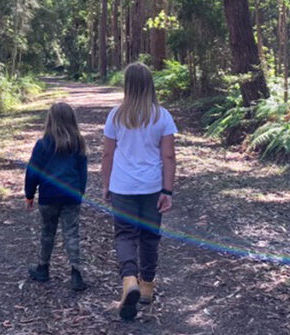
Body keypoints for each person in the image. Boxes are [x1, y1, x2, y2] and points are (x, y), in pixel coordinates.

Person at [101, 62, 177, 321]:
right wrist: (168, 189)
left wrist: (106, 184)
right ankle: (146, 287)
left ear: (127, 86)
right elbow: (168, 156)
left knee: (125, 235)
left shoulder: (116, 116)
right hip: (152, 187)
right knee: (149, 236)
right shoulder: (162, 116)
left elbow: (107, 153)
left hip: (123, 185)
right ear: (150, 85)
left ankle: (129, 279)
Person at [24, 102, 88, 291]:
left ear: (50, 120)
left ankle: (43, 268)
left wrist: (29, 194)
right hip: (71, 196)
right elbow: (82, 173)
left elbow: (33, 172)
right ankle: (76, 273)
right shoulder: (78, 144)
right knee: (71, 233)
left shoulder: (43, 145)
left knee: (47, 232)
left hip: (48, 196)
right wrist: (80, 193)